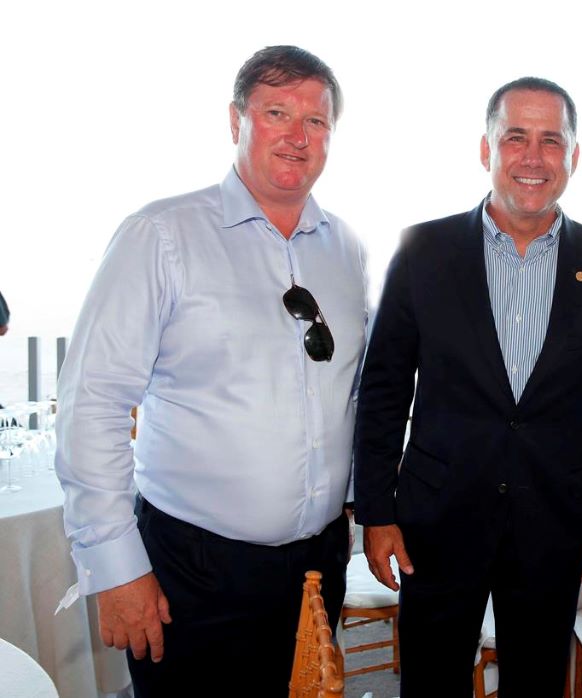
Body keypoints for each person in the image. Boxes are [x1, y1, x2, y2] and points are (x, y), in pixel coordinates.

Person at [55, 46, 366, 697]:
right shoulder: (161, 236)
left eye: (316, 121)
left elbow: (353, 392)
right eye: (277, 112)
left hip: (317, 564)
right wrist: (115, 568)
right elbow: (92, 405)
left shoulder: (346, 248)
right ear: (236, 121)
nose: (297, 135)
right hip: (193, 569)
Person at [354, 77, 582, 696]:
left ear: (574, 156)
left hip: (556, 523)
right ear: (486, 150)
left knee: (538, 684)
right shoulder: (422, 250)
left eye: (551, 140)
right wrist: (377, 512)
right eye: (516, 137)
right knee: (431, 682)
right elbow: (383, 392)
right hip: (436, 521)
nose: (533, 157)